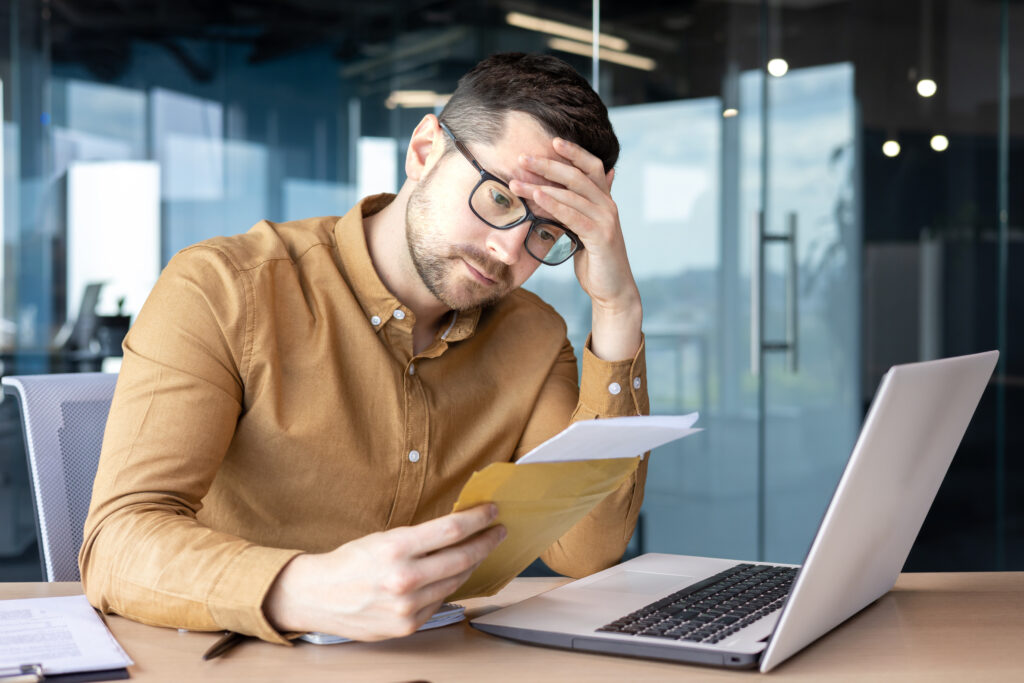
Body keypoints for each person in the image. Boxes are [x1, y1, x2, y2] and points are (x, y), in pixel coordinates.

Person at [80, 52, 649, 645]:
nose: (510, 252)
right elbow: (116, 544)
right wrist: (306, 590)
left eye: (546, 232)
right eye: (500, 200)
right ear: (425, 150)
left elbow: (585, 548)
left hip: (438, 660)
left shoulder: (533, 335)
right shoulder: (225, 289)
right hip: (234, 658)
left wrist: (618, 310)